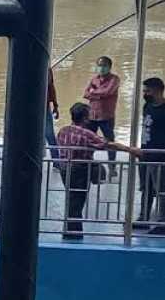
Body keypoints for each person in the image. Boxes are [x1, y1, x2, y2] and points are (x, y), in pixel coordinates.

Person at [57, 102, 141, 240]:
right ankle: (74, 234)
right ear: (85, 118)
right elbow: (107, 144)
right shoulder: (86, 134)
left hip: (65, 169)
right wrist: (130, 149)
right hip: (79, 171)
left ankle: (70, 231)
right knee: (76, 202)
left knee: (72, 199)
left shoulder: (63, 130)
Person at [83, 56, 120, 176]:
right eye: (99, 65)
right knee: (89, 141)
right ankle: (87, 164)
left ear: (109, 67)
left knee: (110, 142)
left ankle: (112, 168)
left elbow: (108, 92)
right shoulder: (94, 79)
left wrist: (94, 92)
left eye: (104, 66)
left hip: (106, 117)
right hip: (92, 116)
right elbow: (85, 94)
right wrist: (98, 94)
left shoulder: (114, 79)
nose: (101, 68)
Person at [139, 77, 165, 233]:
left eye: (147, 90)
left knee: (161, 188)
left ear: (157, 90)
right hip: (145, 153)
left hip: (159, 155)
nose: (145, 93)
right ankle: (143, 217)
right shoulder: (147, 106)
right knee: (145, 187)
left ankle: (162, 221)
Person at [45, 67, 61, 161]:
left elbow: (51, 87)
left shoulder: (47, 69)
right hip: (28, 107)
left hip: (45, 107)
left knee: (50, 135)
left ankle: (57, 162)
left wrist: (55, 105)